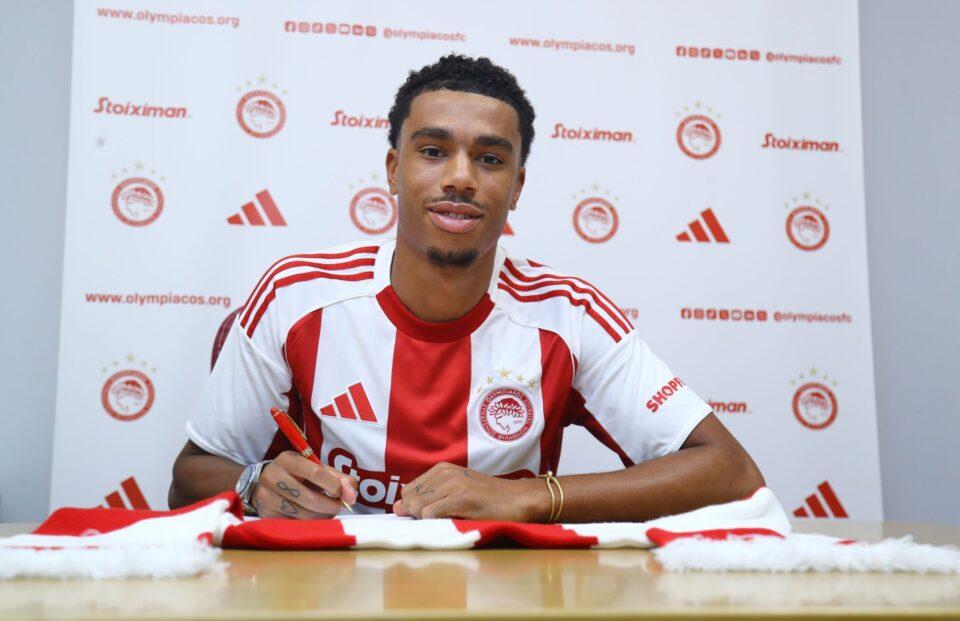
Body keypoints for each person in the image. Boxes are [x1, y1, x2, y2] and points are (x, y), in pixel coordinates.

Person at [169, 54, 764, 522]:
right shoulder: (295, 295)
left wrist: (530, 497)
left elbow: (732, 473)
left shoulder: (569, 315)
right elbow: (188, 477)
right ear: (394, 170)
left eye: (490, 159)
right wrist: (253, 484)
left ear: (518, 186)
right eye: (433, 151)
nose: (460, 177)